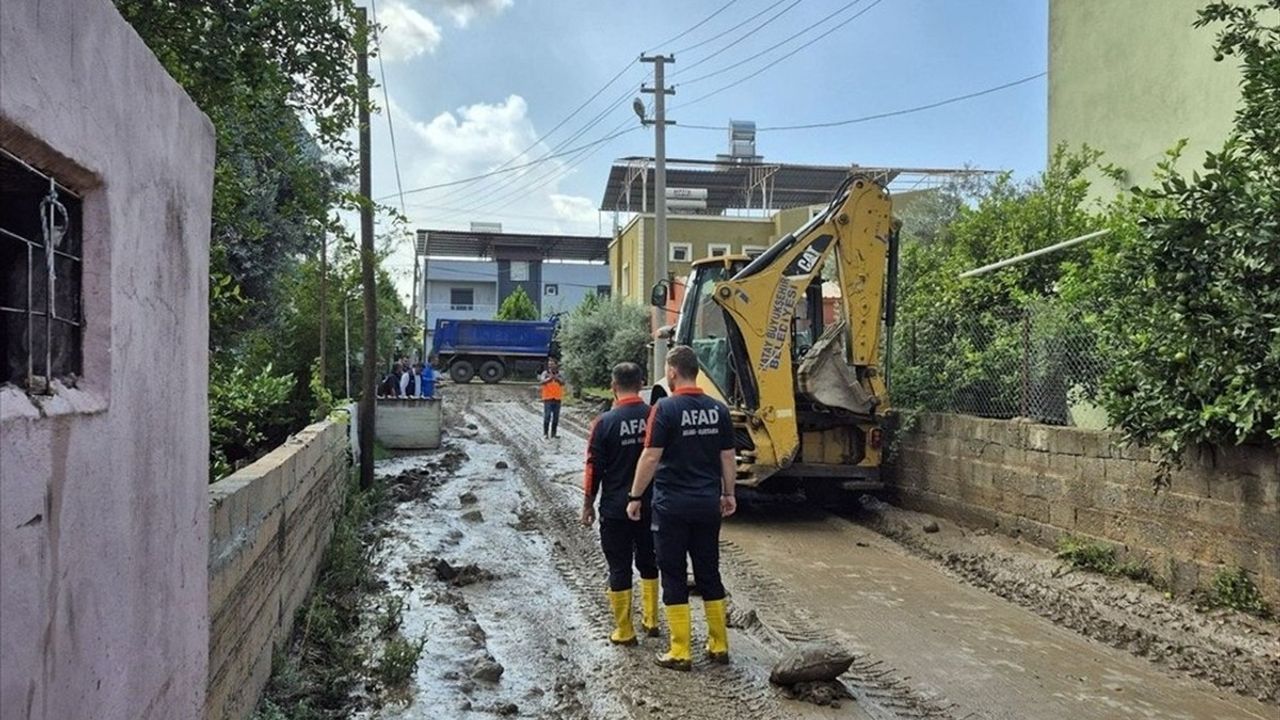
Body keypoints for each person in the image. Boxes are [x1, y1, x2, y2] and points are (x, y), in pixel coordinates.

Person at [628, 345, 736, 671]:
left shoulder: (664, 408)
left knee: (673, 573)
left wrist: (635, 496)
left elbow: (651, 456)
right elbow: (727, 456)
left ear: (673, 372)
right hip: (707, 505)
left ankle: (680, 651)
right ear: (697, 371)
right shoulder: (719, 410)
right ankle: (719, 645)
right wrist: (728, 493)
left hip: (671, 506)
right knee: (709, 572)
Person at [580, 362, 660, 646]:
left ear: (614, 387)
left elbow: (593, 468)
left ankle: (624, 631)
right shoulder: (655, 416)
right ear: (641, 384)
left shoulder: (603, 423)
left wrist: (588, 504)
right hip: (651, 506)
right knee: (649, 560)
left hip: (615, 509)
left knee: (619, 566)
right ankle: (651, 620)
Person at [538, 358, 564, 439]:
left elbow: (563, 382)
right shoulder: (545, 373)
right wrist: (550, 379)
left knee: (556, 417)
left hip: (557, 398)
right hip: (548, 397)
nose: (550, 366)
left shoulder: (560, 374)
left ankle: (553, 433)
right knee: (547, 416)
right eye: (549, 364)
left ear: (556, 365)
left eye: (552, 364)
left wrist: (556, 378)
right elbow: (542, 381)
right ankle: (545, 433)